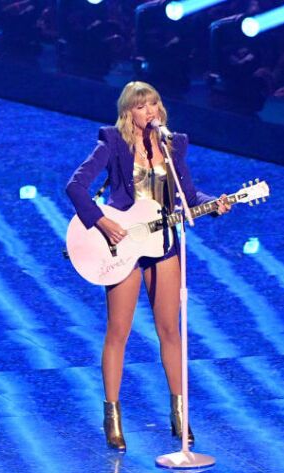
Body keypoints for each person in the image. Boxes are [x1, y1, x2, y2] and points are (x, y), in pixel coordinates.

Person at [66, 81, 231, 451]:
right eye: (142, 107)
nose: (150, 111)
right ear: (129, 112)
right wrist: (101, 221)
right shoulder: (112, 143)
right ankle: (112, 416)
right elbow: (76, 186)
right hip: (123, 243)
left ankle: (180, 415)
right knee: (119, 332)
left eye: (154, 103)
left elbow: (188, 198)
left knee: (171, 330)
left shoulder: (173, 146)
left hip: (164, 244)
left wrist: (214, 203)